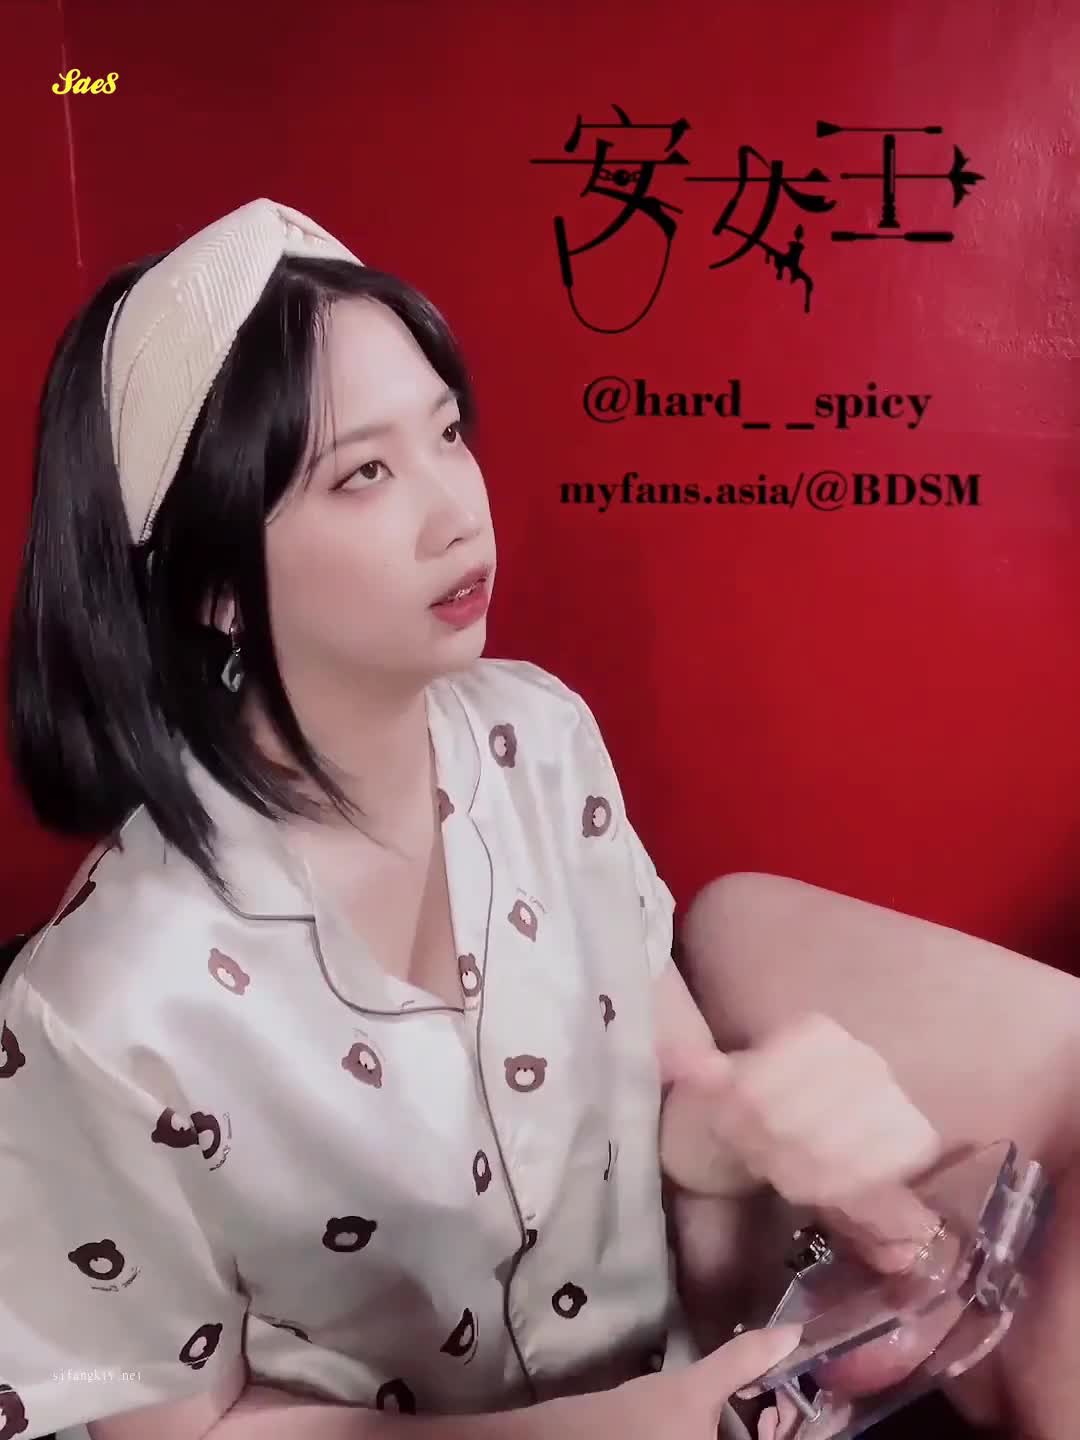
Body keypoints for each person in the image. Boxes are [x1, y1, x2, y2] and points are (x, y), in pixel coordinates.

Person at [0, 198, 944, 1440]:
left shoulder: (542, 738)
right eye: (366, 473)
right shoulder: (104, 1006)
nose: (459, 509)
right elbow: (179, 1429)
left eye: (448, 433)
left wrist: (761, 1122)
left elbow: (661, 1091)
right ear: (216, 581)